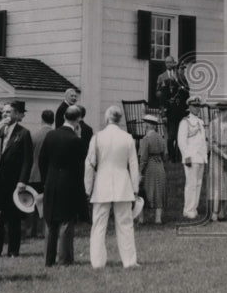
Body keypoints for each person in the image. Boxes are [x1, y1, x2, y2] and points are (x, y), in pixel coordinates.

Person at [84, 106, 140, 269]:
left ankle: (97, 262)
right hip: (123, 184)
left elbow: (89, 165)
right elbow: (134, 165)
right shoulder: (128, 138)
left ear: (107, 118)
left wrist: (88, 188)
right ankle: (129, 261)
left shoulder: (97, 137)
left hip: (102, 185)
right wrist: (135, 188)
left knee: (98, 224)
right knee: (125, 224)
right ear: (120, 119)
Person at [39, 104, 88, 266]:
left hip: (51, 180)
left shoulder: (51, 135)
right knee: (66, 221)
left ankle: (48, 258)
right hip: (68, 182)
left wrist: (46, 178)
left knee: (50, 220)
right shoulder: (75, 140)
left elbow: (42, 160)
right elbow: (81, 163)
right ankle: (65, 259)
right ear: (78, 120)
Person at [0, 101, 33, 257]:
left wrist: (23, 180)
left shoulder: (23, 133)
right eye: (4, 113)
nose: (5, 115)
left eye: (8, 112)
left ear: (16, 114)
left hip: (13, 181)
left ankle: (13, 250)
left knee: (13, 217)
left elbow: (28, 160)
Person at [206, 101, 227, 221]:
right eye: (225, 111)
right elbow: (211, 143)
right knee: (217, 185)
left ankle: (222, 212)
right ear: (220, 111)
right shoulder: (213, 124)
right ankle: (214, 212)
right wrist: (222, 154)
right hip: (217, 157)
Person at [176, 96, 207, 220]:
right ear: (189, 107)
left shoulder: (200, 122)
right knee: (191, 184)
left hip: (200, 157)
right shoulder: (185, 121)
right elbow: (181, 141)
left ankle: (194, 208)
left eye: (198, 106)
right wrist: (186, 156)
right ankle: (188, 210)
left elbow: (202, 142)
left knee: (198, 184)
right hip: (191, 157)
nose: (197, 108)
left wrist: (205, 157)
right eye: (194, 106)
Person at [25, 108, 54, 238]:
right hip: (47, 174)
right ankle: (45, 230)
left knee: (31, 204)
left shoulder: (33, 135)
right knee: (46, 203)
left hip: (33, 172)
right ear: (53, 120)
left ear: (41, 120)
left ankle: (30, 230)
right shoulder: (54, 135)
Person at [138, 113, 168, 224]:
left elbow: (143, 158)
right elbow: (165, 154)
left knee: (144, 190)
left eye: (145, 123)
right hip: (160, 165)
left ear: (147, 125)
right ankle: (158, 218)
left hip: (150, 166)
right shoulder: (161, 138)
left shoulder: (145, 139)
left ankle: (141, 219)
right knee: (159, 190)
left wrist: (140, 171)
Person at [157, 57, 188, 162]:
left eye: (182, 69)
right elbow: (161, 96)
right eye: (180, 69)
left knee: (181, 136)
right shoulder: (165, 80)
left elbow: (186, 96)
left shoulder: (183, 81)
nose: (181, 71)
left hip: (181, 112)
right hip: (170, 112)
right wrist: (163, 113)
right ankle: (171, 157)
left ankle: (178, 157)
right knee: (171, 137)